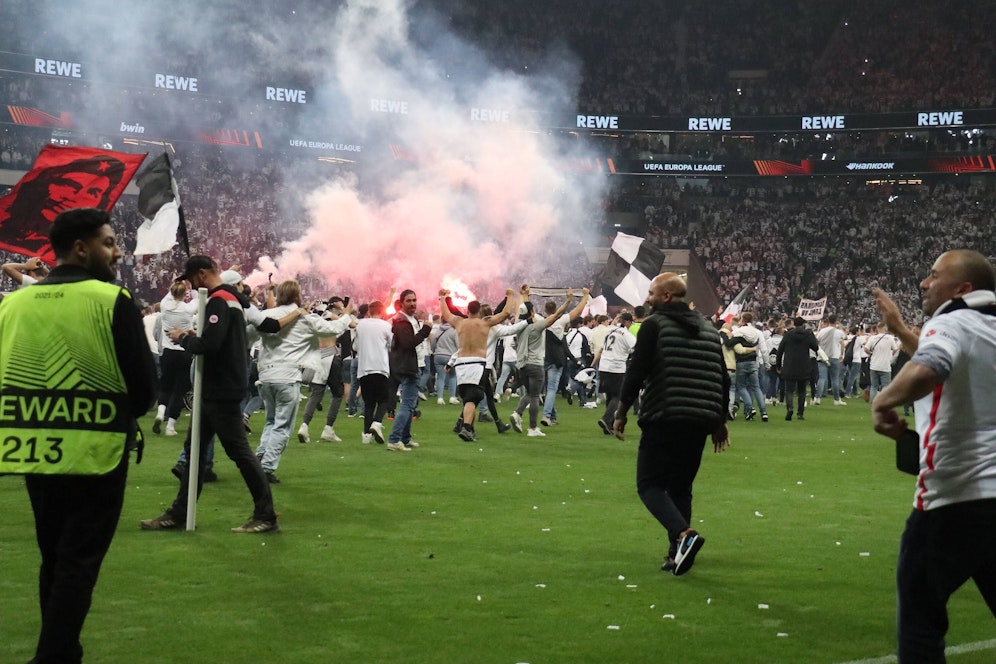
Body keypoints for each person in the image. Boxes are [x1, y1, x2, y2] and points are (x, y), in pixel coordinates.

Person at [0, 207, 156, 664]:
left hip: (33, 449)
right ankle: (52, 657)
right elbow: (143, 391)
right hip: (96, 452)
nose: (117, 251)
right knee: (78, 564)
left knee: (54, 557)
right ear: (81, 248)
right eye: (109, 242)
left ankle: (64, 652)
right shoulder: (112, 299)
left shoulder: (13, 303)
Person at [870, 250, 996, 663]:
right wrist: (900, 330)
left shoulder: (951, 322)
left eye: (934, 275)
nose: (924, 283)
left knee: (920, 623)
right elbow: (960, 364)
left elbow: (931, 366)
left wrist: (883, 402)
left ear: (963, 289)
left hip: (953, 497)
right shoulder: (985, 327)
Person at [139, 255, 279, 533]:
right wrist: (196, 335)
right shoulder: (232, 299)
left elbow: (210, 345)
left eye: (192, 279)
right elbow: (218, 339)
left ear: (202, 274)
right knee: (195, 452)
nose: (191, 285)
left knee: (238, 453)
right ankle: (179, 513)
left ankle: (266, 515)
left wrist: (184, 338)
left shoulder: (219, 300)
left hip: (220, 388)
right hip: (220, 386)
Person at [612, 273, 730, 576]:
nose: (647, 298)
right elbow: (722, 378)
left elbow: (637, 371)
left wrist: (621, 411)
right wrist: (719, 422)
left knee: (649, 485)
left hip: (664, 415)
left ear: (665, 296)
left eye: (651, 293)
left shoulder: (654, 325)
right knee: (681, 488)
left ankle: (683, 535)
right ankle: (676, 554)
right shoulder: (708, 328)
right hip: (700, 420)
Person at [251, 279, 352, 481]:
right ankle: (267, 468)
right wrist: (347, 314)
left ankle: (260, 455)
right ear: (297, 296)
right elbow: (333, 329)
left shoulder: (267, 315)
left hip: (265, 376)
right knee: (282, 426)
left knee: (271, 421)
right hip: (288, 376)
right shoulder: (304, 318)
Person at [439, 288, 518, 441]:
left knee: (469, 399)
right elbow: (506, 313)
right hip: (476, 364)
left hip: (461, 364)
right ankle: (467, 428)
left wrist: (442, 297)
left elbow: (446, 314)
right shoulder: (485, 323)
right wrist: (509, 296)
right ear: (479, 311)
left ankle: (468, 428)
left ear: (467, 311)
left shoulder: (459, 322)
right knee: (473, 398)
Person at [509, 287, 574, 437]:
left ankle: (517, 414)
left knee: (530, 393)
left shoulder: (518, 324)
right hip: (535, 364)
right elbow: (556, 315)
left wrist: (524, 295)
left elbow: (526, 309)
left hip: (522, 365)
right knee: (535, 396)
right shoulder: (537, 326)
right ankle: (532, 428)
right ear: (532, 313)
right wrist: (568, 300)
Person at [387, 289, 433, 451]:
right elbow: (408, 343)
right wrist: (425, 330)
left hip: (411, 364)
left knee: (410, 404)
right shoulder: (401, 321)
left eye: (414, 300)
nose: (413, 303)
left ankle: (405, 438)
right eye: (409, 301)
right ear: (401, 303)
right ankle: (394, 439)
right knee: (407, 404)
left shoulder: (409, 319)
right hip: (408, 366)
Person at [594, 311, 636, 435]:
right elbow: (636, 348)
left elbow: (603, 348)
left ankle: (609, 426)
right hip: (616, 367)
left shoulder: (610, 331)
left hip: (604, 366)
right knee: (619, 395)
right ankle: (606, 419)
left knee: (610, 395)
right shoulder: (626, 334)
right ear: (627, 322)